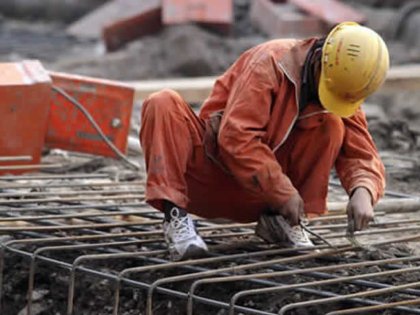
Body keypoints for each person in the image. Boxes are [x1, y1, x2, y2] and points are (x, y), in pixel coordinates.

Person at [139, 22, 389, 260]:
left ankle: (280, 222)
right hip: (212, 177)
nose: (329, 100)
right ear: (320, 61)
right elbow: (237, 138)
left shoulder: (342, 87)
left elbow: (361, 153)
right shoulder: (271, 63)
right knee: (162, 103)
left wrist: (363, 190)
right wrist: (282, 191)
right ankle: (175, 218)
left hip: (266, 198)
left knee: (332, 125)